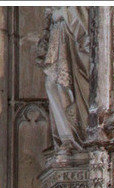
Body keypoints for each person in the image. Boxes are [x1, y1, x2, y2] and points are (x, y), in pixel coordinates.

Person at [37, 7, 89, 153]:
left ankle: (74, 137)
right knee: (51, 85)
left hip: (70, 40)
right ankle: (64, 138)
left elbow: (83, 19)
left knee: (64, 87)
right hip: (57, 37)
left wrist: (62, 12)